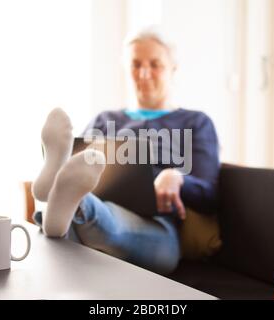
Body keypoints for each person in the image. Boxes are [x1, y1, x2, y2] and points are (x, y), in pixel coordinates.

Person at [32, 26, 220, 275]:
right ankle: (67, 200)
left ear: (173, 68)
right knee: (81, 193)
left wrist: (177, 177)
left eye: (155, 64)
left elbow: (209, 195)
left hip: (158, 226)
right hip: (100, 201)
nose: (144, 73)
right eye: (136, 64)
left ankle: (66, 203)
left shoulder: (195, 122)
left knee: (102, 220)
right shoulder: (104, 120)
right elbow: (78, 169)